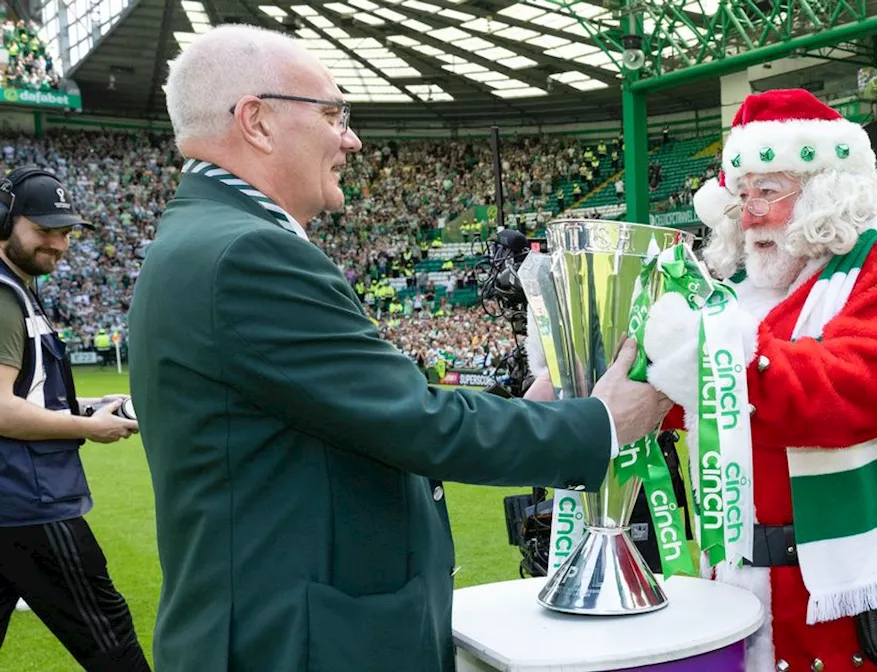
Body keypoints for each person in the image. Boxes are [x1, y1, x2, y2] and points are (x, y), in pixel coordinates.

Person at [127, 25, 670, 671]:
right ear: (258, 121)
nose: (351, 139)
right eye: (332, 114)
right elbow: (409, 420)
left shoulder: (208, 235)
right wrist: (597, 423)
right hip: (295, 641)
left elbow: (348, 406)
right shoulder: (246, 251)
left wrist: (538, 410)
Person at [637, 89, 877, 671]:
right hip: (764, 582)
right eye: (740, 195)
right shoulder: (741, 295)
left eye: (767, 192)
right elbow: (687, 405)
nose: (748, 213)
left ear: (826, 191)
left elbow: (843, 395)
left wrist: (708, 354)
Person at [0, 166, 150, 670]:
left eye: (65, 231)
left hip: (13, 501)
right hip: (30, 501)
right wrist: (90, 427)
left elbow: (27, 395)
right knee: (112, 643)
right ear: (5, 222)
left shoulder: (19, 291)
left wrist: (87, 407)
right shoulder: (4, 296)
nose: (59, 244)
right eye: (44, 230)